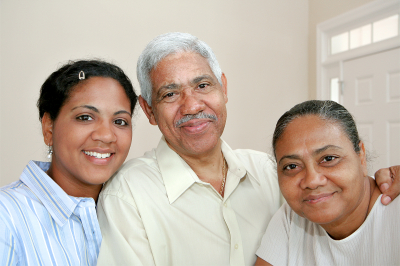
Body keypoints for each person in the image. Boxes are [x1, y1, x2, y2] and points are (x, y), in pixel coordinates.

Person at [96, 33, 399, 266]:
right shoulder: (128, 195)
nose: (192, 105)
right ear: (149, 110)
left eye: (203, 85)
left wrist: (380, 182)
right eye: (170, 93)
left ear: (223, 88)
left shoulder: (271, 171)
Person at [0, 60, 138, 265]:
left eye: (120, 121)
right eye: (85, 117)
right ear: (49, 128)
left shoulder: (133, 210)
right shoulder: (7, 216)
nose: (107, 135)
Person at [255, 100, 400, 265]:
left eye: (329, 158)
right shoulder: (291, 218)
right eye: (292, 166)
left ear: (361, 157)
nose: (312, 181)